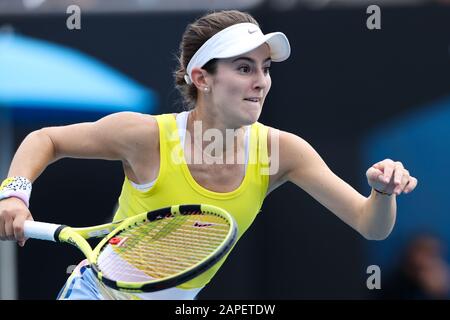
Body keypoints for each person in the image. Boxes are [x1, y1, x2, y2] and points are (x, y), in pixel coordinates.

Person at [0, 10, 417, 300]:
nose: (261, 82)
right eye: (244, 68)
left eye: (265, 68)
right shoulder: (144, 136)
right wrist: (15, 195)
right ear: (202, 78)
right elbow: (45, 140)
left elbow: (370, 226)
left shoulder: (282, 152)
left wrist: (382, 194)